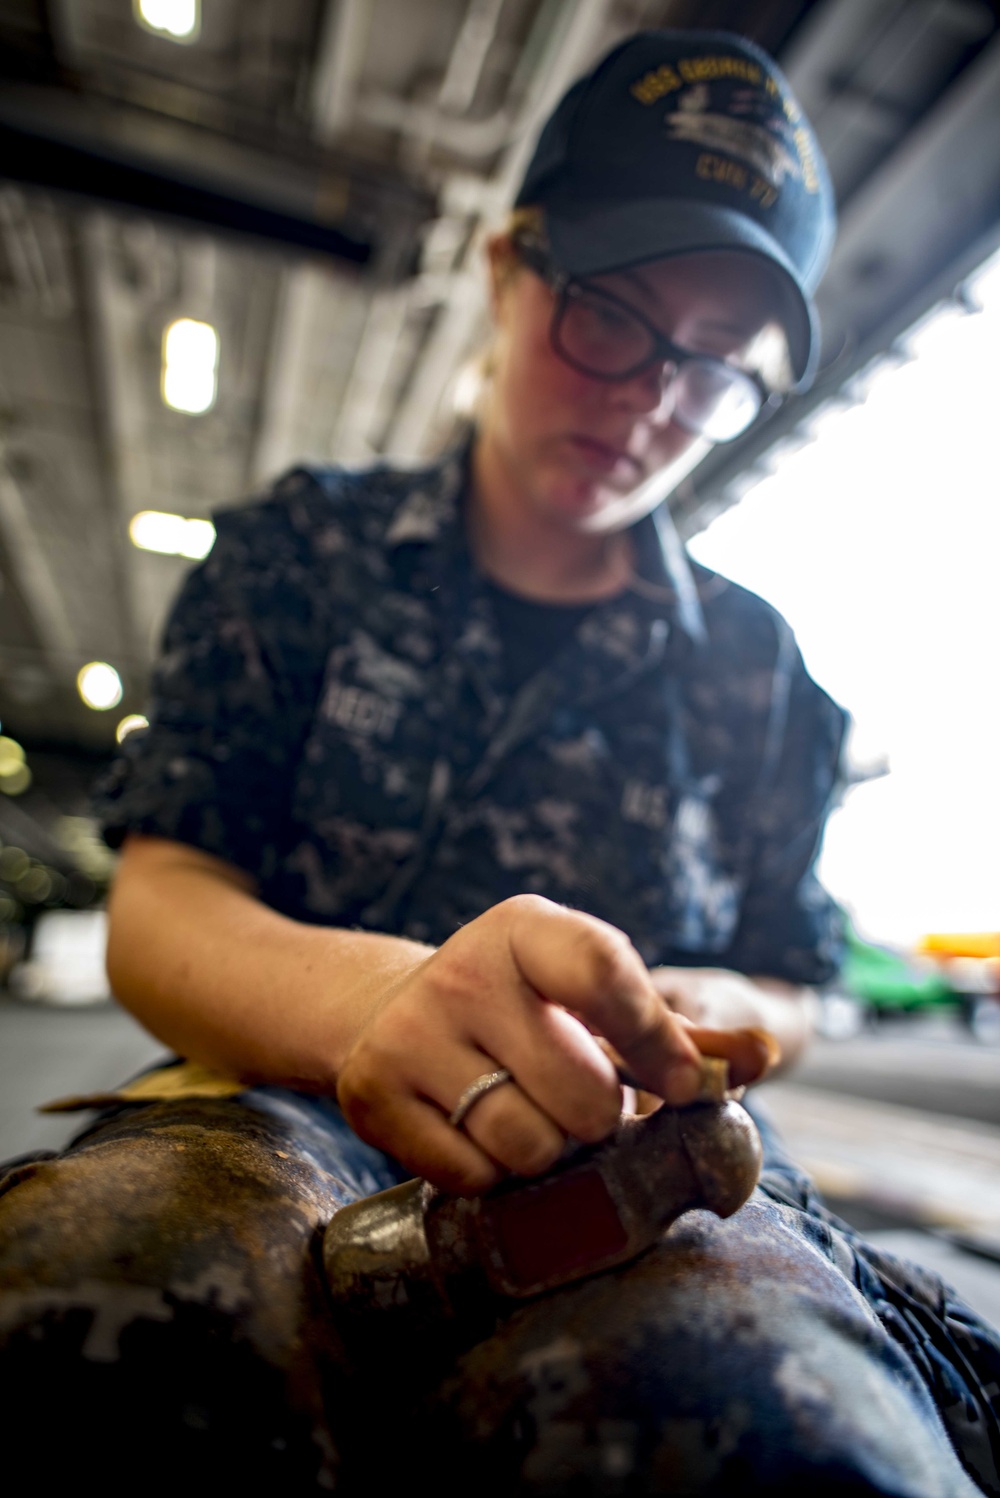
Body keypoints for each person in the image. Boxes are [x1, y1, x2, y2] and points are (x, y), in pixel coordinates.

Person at [1, 29, 997, 1497]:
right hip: (270, 1098)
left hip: (641, 1154)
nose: (654, 401)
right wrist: (378, 998)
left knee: (767, 1423)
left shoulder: (764, 673)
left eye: (717, 366)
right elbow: (164, 893)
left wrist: (725, 1007)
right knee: (90, 1328)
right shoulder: (302, 556)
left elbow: (798, 965)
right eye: (612, 316)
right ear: (504, 263)